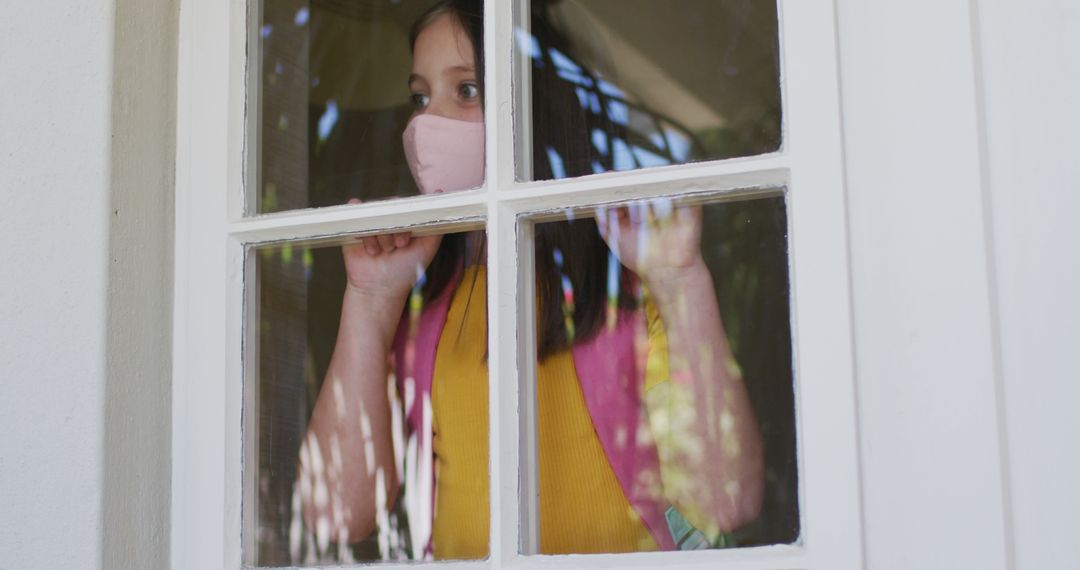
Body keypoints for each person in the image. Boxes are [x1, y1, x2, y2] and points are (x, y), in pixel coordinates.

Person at [298, 0, 764, 560]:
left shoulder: (631, 288)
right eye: (419, 97)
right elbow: (336, 515)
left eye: (466, 91)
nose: (425, 122)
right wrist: (370, 299)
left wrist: (680, 278)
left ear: (533, 105)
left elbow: (727, 501)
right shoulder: (418, 304)